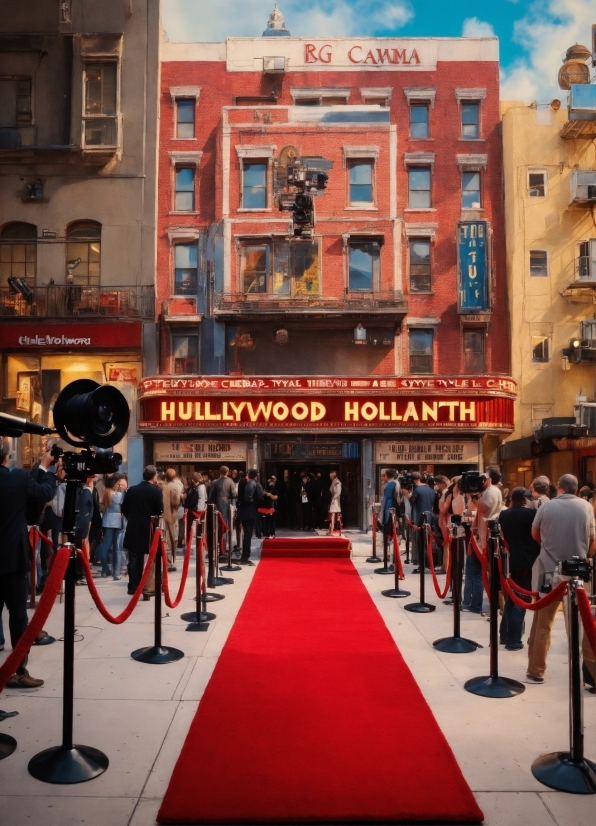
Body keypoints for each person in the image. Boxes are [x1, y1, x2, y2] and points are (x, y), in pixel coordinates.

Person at [527, 473, 595, 687]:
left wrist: (549, 546)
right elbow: (593, 540)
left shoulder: (547, 507)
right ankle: (592, 675)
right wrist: (586, 557)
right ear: (576, 489)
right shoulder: (586, 507)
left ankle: (536, 670)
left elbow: (535, 534)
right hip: (579, 572)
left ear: (559, 488)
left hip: (550, 570)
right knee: (585, 623)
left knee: (543, 623)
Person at [0, 443, 59, 688]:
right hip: (11, 558)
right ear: (7, 456)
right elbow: (45, 492)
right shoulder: (18, 477)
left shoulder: (19, 477)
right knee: (18, 616)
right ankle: (17, 670)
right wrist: (45, 467)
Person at [498, 487, 541, 650]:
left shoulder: (504, 514)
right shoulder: (530, 514)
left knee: (512, 599)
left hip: (511, 559)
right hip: (527, 560)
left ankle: (504, 634)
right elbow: (537, 535)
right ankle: (513, 639)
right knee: (521, 601)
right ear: (524, 498)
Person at [463, 469, 502, 614]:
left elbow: (483, 508)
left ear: (489, 479)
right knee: (476, 571)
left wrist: (473, 498)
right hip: (481, 535)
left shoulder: (491, 492)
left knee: (475, 572)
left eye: (483, 478)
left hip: (485, 538)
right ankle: (472, 602)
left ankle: (475, 604)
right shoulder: (490, 491)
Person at [121, 466, 164, 600]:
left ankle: (133, 586)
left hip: (133, 526)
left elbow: (124, 508)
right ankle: (148, 586)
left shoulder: (132, 490)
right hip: (149, 527)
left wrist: (132, 518)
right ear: (154, 476)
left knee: (134, 557)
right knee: (151, 558)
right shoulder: (156, 490)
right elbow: (159, 511)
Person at [403, 472, 436, 569]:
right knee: (428, 541)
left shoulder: (417, 490)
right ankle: (428, 561)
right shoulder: (430, 490)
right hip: (430, 516)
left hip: (419, 518)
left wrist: (407, 494)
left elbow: (412, 500)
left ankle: (421, 563)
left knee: (420, 542)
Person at [95, 476, 125, 580]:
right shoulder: (118, 494)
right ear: (114, 484)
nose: (119, 486)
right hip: (117, 521)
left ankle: (105, 568)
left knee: (105, 546)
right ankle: (115, 571)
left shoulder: (106, 493)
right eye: (118, 483)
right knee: (116, 547)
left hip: (107, 521)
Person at [74, 475, 96, 585]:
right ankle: (79, 573)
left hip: (84, 524)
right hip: (82, 525)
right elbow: (86, 511)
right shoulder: (86, 492)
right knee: (81, 549)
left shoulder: (86, 492)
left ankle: (80, 572)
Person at [237, 469, 261, 565]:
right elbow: (250, 497)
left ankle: (245, 554)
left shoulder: (244, 482)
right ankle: (245, 555)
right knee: (248, 534)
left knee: (247, 534)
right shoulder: (251, 483)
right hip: (248, 511)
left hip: (244, 511)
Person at [162, 468, 182, 571]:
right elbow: (176, 503)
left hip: (162, 515)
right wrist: (182, 499)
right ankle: (171, 562)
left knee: (164, 539)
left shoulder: (162, 487)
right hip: (171, 516)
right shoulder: (174, 487)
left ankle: (165, 561)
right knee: (172, 539)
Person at [381, 469, 399, 540]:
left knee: (388, 519)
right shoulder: (396, 483)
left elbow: (386, 497)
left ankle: (388, 535)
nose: (384, 477)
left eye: (385, 475)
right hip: (394, 503)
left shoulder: (388, 485)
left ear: (388, 476)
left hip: (389, 503)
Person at [328, 470, 342, 535]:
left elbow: (338, 492)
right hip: (333, 499)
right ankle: (332, 529)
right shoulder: (333, 482)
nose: (330, 477)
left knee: (335, 515)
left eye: (330, 476)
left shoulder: (337, 482)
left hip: (335, 500)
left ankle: (334, 529)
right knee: (332, 515)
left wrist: (334, 498)